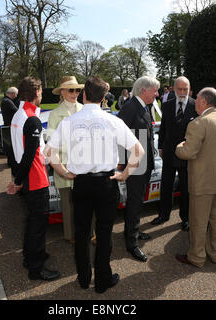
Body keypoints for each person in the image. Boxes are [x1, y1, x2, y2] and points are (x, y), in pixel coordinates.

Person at [45, 76, 145, 293]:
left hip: (81, 183)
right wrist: (125, 174)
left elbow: (48, 152)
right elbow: (139, 150)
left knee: (81, 232)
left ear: (83, 95)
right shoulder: (113, 120)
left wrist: (64, 172)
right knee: (104, 231)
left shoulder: (69, 121)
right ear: (103, 97)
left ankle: (83, 277)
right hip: (106, 184)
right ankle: (102, 279)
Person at [7, 77, 61, 282]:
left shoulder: (19, 114)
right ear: (37, 92)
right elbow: (29, 154)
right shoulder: (30, 118)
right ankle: (36, 268)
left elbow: (19, 151)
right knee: (37, 224)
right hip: (35, 178)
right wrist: (18, 180)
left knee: (33, 222)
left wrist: (18, 177)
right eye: (40, 90)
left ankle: (31, 257)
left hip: (29, 175)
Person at [174, 87, 216, 268]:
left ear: (204, 102)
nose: (194, 100)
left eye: (197, 98)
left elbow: (187, 152)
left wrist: (179, 146)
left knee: (198, 222)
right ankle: (215, 254)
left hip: (202, 182)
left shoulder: (198, 123)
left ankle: (197, 257)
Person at [117, 76, 160, 262]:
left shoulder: (143, 106)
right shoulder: (130, 107)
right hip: (135, 164)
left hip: (145, 163)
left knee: (137, 201)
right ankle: (131, 243)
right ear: (144, 90)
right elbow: (119, 135)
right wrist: (121, 163)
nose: (157, 94)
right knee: (134, 202)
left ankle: (132, 230)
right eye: (155, 91)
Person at [152, 76, 197, 231]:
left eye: (186, 89)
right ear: (174, 89)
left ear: (190, 89)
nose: (183, 92)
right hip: (169, 152)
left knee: (185, 187)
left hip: (187, 154)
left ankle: (186, 218)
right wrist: (161, 147)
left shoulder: (195, 105)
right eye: (180, 89)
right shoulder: (167, 105)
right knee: (166, 185)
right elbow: (163, 128)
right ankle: (163, 214)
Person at [47, 76, 84, 243]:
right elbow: (51, 145)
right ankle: (70, 235)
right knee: (68, 204)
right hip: (65, 165)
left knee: (85, 202)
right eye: (71, 90)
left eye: (77, 90)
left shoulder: (84, 109)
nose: (75, 93)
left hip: (84, 166)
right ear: (62, 92)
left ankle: (89, 233)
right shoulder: (55, 115)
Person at [1, 87, 20, 168]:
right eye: (16, 94)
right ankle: (11, 163)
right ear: (12, 94)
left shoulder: (5, 100)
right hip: (10, 125)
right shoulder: (7, 102)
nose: (16, 96)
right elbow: (17, 111)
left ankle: (10, 161)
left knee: (10, 146)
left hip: (8, 124)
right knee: (11, 146)